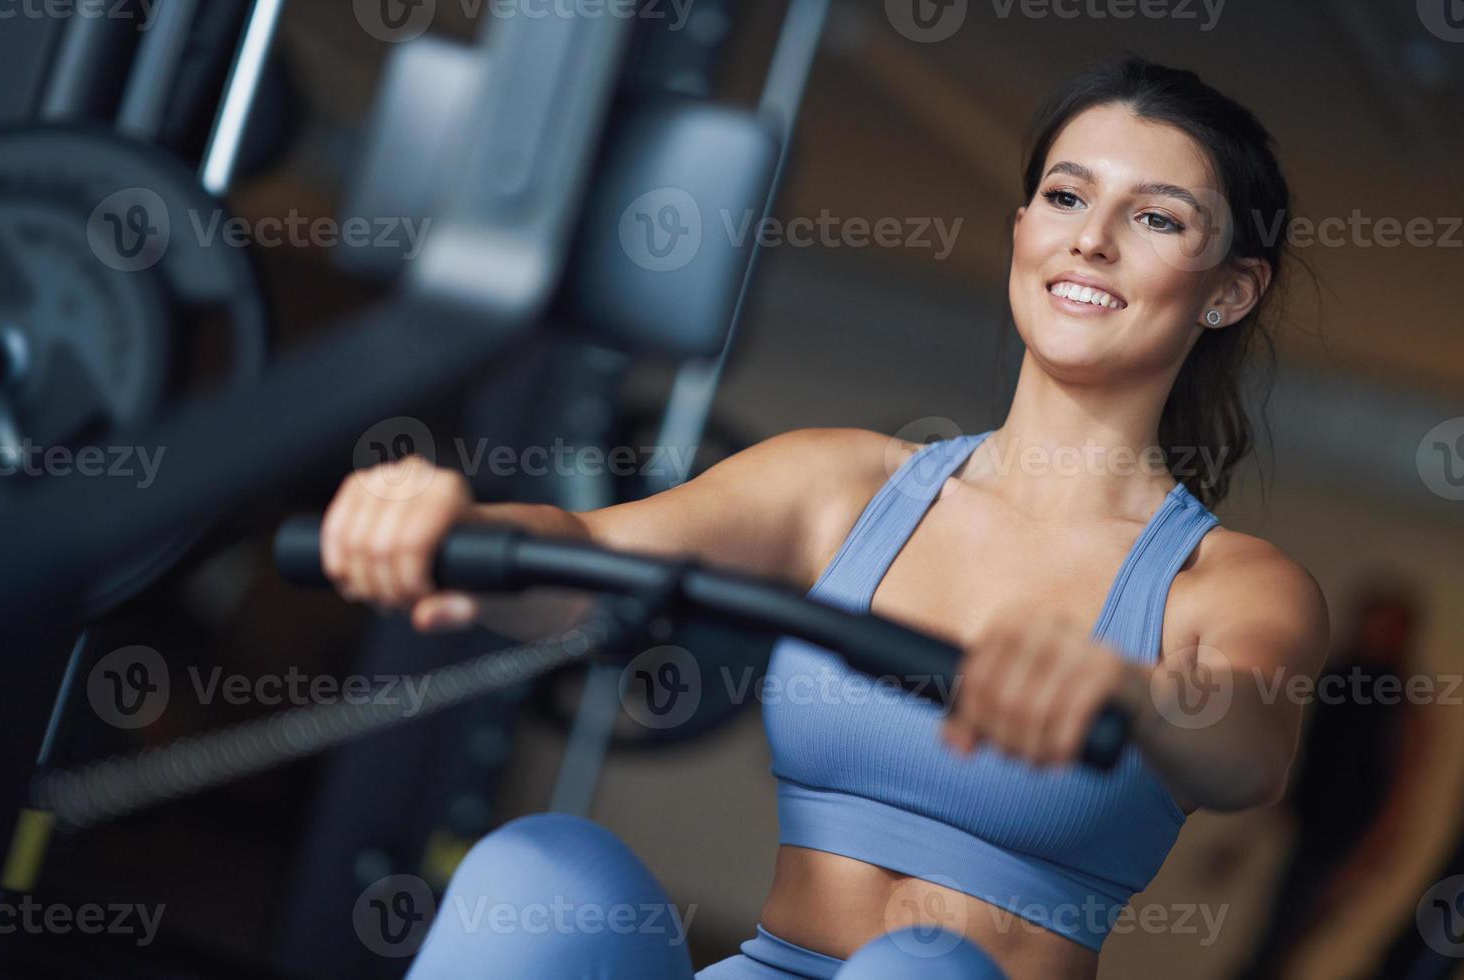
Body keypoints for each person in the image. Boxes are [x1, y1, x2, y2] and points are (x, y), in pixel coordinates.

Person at [318, 55, 1330, 979]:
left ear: (1229, 292)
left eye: (1157, 219)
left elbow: (1246, 745)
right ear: (1024, 228)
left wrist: (1131, 692)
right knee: (538, 869)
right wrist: (460, 533)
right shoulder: (845, 483)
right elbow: (585, 562)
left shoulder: (1227, 582)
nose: (1092, 239)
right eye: (1066, 196)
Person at [1234, 577, 1426, 979]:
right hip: (1307, 822)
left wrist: (1365, 858)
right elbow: (1299, 754)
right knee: (1270, 941)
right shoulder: (1336, 677)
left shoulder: (1401, 704)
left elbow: (1401, 789)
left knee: (1282, 944)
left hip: (1342, 840)